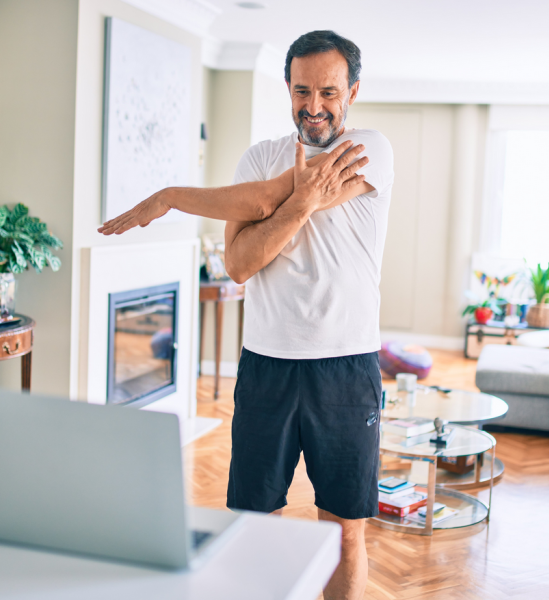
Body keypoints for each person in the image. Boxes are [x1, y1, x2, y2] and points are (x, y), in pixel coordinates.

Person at [100, 30, 393, 600]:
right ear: (287, 87)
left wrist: (169, 197)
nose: (314, 107)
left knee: (345, 533)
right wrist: (304, 201)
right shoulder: (258, 158)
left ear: (352, 90)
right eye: (302, 90)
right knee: (252, 528)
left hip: (346, 367)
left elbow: (261, 204)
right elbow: (238, 264)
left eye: (329, 92)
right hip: (267, 368)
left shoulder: (369, 149)